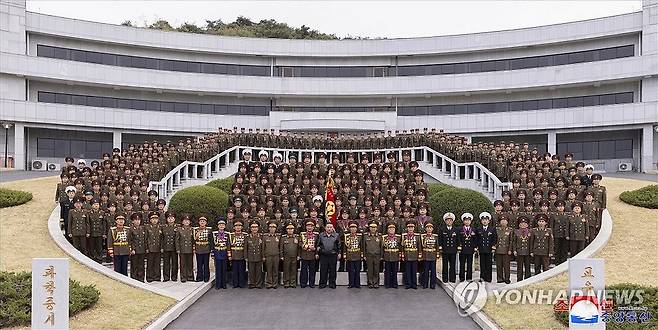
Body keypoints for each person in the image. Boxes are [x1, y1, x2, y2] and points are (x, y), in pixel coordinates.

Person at [317, 223, 340, 289]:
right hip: (323, 255)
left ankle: (332, 284)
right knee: (323, 270)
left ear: (333, 228)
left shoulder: (336, 235)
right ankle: (322, 284)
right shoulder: (321, 235)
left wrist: (339, 253)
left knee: (333, 270)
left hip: (333, 255)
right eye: (328, 227)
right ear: (325, 228)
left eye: (330, 227)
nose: (329, 228)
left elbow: (339, 245)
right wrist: (317, 252)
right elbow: (318, 244)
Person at [475, 212, 497, 283]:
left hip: (489, 249)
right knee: (482, 264)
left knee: (489, 264)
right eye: (483, 220)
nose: (484, 221)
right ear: (481, 221)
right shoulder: (478, 229)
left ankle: (488, 278)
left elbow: (494, 238)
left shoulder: (492, 229)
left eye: (486, 220)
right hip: (481, 249)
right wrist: (477, 247)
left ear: (489, 221)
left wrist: (493, 247)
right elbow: (477, 239)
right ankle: (482, 278)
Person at [439, 213, 458, 283]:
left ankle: (452, 279)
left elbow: (457, 240)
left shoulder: (456, 229)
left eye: (450, 220)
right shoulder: (442, 229)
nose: (449, 222)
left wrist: (458, 247)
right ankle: (445, 279)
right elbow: (440, 239)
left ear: (453, 221)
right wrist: (440, 247)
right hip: (445, 250)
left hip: (453, 250)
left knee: (452, 265)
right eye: (447, 220)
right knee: (445, 265)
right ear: (445, 221)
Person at [343, 221, 363, 288]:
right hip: (349, 254)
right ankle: (351, 284)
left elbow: (362, 246)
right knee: (350, 270)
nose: (353, 229)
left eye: (354, 227)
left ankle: (357, 284)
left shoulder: (360, 236)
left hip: (357, 254)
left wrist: (362, 254)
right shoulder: (346, 236)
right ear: (349, 228)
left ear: (357, 228)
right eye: (351, 227)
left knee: (357, 270)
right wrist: (344, 254)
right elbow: (344, 246)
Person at [299, 220, 319, 288]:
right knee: (303, 270)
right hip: (304, 254)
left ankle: (311, 283)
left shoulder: (316, 235)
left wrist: (316, 251)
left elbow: (318, 244)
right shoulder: (302, 234)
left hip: (312, 255)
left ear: (313, 227)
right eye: (308, 226)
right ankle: (303, 283)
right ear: (306, 227)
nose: (309, 227)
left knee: (312, 270)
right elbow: (300, 242)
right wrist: (304, 246)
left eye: (311, 226)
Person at [127, 213, 147, 282]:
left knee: (141, 265)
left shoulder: (143, 229)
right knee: (134, 265)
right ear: (132, 221)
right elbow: (129, 240)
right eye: (135, 220)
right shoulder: (130, 229)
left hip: (142, 249)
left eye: (139, 220)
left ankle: (141, 278)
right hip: (135, 250)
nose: (137, 221)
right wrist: (132, 249)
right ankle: (134, 278)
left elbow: (145, 239)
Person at [363, 220, 383, 289]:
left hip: (377, 255)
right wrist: (364, 255)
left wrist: (381, 256)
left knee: (376, 270)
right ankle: (370, 283)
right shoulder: (365, 236)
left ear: (377, 228)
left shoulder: (380, 236)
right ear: (369, 228)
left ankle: (376, 283)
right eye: (371, 227)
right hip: (369, 255)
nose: (373, 229)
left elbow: (381, 246)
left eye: (374, 227)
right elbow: (364, 246)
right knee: (370, 270)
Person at [212, 218, 231, 289]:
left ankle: (224, 284)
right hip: (217, 253)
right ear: (218, 226)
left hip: (224, 253)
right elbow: (212, 244)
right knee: (218, 269)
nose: (221, 226)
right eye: (220, 225)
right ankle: (218, 284)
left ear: (225, 226)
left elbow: (228, 244)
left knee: (224, 269)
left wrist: (229, 254)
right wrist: (212, 253)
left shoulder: (227, 234)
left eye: (223, 225)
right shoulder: (214, 234)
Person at [280, 223, 300, 288]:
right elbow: (281, 248)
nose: (290, 230)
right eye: (288, 229)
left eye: (291, 229)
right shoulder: (283, 238)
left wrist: (298, 255)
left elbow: (299, 247)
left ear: (294, 229)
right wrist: (281, 256)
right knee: (286, 270)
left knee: (293, 270)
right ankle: (286, 283)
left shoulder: (297, 237)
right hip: (286, 257)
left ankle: (293, 283)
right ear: (286, 230)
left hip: (294, 256)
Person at [401, 221, 420, 289]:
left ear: (414, 228)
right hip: (407, 255)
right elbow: (402, 246)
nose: (410, 229)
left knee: (414, 270)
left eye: (412, 227)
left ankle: (414, 284)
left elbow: (419, 246)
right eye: (409, 227)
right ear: (407, 228)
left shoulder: (417, 236)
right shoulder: (404, 236)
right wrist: (402, 254)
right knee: (407, 271)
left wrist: (419, 255)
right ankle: (408, 284)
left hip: (414, 255)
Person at [245, 221, 264, 289]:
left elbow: (262, 248)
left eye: (256, 227)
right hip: (250, 256)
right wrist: (246, 257)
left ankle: (258, 284)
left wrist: (263, 256)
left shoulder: (261, 237)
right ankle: (252, 283)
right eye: (252, 227)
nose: (254, 229)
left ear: (258, 228)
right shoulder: (247, 237)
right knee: (251, 271)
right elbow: (245, 248)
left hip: (258, 256)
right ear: (250, 228)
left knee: (259, 271)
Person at [86, 198, 106, 263]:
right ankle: (92, 258)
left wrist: (104, 233)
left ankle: (99, 258)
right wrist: (88, 232)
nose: (96, 206)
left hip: (99, 233)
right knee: (91, 247)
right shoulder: (88, 213)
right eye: (94, 204)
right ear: (92, 205)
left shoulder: (102, 213)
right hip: (92, 232)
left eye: (97, 204)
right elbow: (88, 223)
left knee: (99, 247)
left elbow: (104, 224)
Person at [457, 213, 476, 282]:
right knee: (462, 264)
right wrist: (459, 245)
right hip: (462, 249)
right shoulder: (459, 229)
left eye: (468, 220)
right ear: (463, 221)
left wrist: (475, 247)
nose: (467, 222)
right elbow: (458, 238)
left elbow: (475, 239)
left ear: (470, 221)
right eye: (465, 220)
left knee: (469, 264)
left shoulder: (473, 229)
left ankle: (469, 278)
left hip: (470, 249)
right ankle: (461, 278)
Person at [494, 216, 513, 284]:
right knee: (499, 265)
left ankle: (507, 278)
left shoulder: (510, 230)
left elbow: (511, 241)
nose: (503, 222)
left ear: (507, 222)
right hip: (498, 249)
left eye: (505, 220)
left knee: (506, 265)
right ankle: (499, 278)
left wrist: (510, 250)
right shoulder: (496, 229)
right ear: (499, 222)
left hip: (506, 250)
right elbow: (495, 239)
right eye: (502, 220)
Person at [229, 220, 247, 288]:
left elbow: (246, 246)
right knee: (235, 270)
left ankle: (241, 283)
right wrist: (230, 255)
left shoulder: (245, 235)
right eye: (236, 226)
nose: (238, 227)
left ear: (242, 227)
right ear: (234, 227)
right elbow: (229, 246)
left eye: (239, 226)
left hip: (242, 255)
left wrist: (245, 256)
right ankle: (235, 283)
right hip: (234, 255)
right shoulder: (231, 235)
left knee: (242, 270)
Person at [176, 215, 195, 283]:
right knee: (183, 264)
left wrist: (194, 247)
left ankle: (190, 276)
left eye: (188, 221)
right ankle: (183, 277)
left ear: (190, 222)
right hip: (182, 249)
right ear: (182, 222)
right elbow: (177, 240)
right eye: (185, 220)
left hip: (190, 249)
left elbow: (194, 240)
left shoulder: (192, 229)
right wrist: (178, 249)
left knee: (190, 263)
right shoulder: (179, 229)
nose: (186, 222)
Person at [420, 222, 438, 289]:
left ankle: (433, 284)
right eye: (428, 227)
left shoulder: (435, 237)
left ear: (432, 229)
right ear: (425, 228)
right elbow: (421, 246)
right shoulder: (423, 237)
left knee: (433, 270)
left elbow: (437, 246)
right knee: (425, 270)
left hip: (433, 255)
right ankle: (425, 284)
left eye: (430, 228)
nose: (429, 229)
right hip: (425, 255)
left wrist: (438, 253)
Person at [194, 216, 213, 282]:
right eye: (201, 221)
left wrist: (211, 249)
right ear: (199, 222)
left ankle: (206, 277)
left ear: (206, 223)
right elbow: (193, 240)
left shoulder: (209, 230)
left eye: (203, 221)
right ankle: (199, 277)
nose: (202, 222)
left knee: (206, 264)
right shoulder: (195, 230)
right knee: (199, 264)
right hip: (198, 249)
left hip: (206, 249)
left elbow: (211, 240)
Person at [382, 223, 401, 288]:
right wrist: (382, 256)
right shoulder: (384, 237)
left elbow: (400, 247)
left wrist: (400, 255)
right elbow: (382, 247)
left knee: (395, 271)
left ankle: (395, 284)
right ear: (387, 230)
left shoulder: (399, 237)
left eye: (393, 229)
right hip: (387, 256)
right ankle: (387, 284)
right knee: (387, 271)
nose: (391, 230)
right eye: (390, 228)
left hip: (395, 256)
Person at [161, 211, 178, 282]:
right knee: (166, 263)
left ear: (174, 219)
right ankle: (166, 277)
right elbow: (161, 238)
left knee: (174, 263)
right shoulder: (163, 227)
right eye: (169, 218)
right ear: (166, 219)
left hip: (174, 248)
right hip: (166, 247)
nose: (170, 219)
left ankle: (174, 277)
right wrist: (161, 247)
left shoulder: (178, 227)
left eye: (172, 218)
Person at [145, 213, 163, 282]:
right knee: (150, 263)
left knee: (157, 263)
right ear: (150, 220)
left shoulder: (160, 227)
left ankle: (157, 277)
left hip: (158, 248)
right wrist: (146, 248)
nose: (154, 220)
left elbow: (162, 238)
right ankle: (149, 277)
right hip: (150, 248)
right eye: (153, 219)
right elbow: (145, 238)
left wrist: (161, 247)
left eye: (156, 219)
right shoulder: (147, 227)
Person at [263, 221, 281, 289]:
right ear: (268, 228)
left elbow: (280, 247)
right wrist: (263, 256)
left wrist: (280, 256)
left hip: (276, 256)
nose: (272, 228)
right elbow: (263, 247)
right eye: (270, 227)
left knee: (275, 270)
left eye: (274, 227)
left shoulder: (279, 236)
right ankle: (269, 283)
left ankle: (275, 283)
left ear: (276, 228)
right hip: (268, 256)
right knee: (269, 270)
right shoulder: (265, 236)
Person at [513, 217, 532, 282]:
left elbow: (531, 242)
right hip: (519, 251)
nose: (523, 224)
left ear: (527, 225)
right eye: (521, 223)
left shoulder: (530, 232)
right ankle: (519, 279)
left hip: (527, 251)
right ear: (519, 225)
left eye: (525, 223)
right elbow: (514, 242)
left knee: (527, 266)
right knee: (519, 266)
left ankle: (528, 279)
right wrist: (514, 250)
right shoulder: (516, 232)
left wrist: (531, 251)